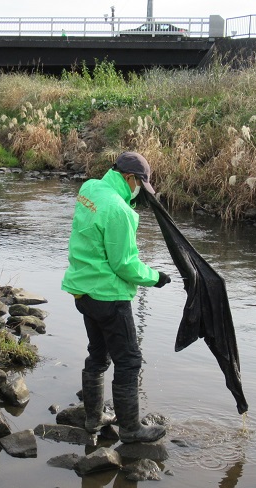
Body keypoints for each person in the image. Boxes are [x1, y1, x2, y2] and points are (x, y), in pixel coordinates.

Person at [62, 151, 171, 444]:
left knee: (98, 354)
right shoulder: (119, 211)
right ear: (129, 178)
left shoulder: (90, 189)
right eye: (140, 185)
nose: (139, 192)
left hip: (83, 291)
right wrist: (156, 277)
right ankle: (131, 430)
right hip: (108, 297)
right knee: (129, 361)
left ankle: (93, 418)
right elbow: (125, 265)